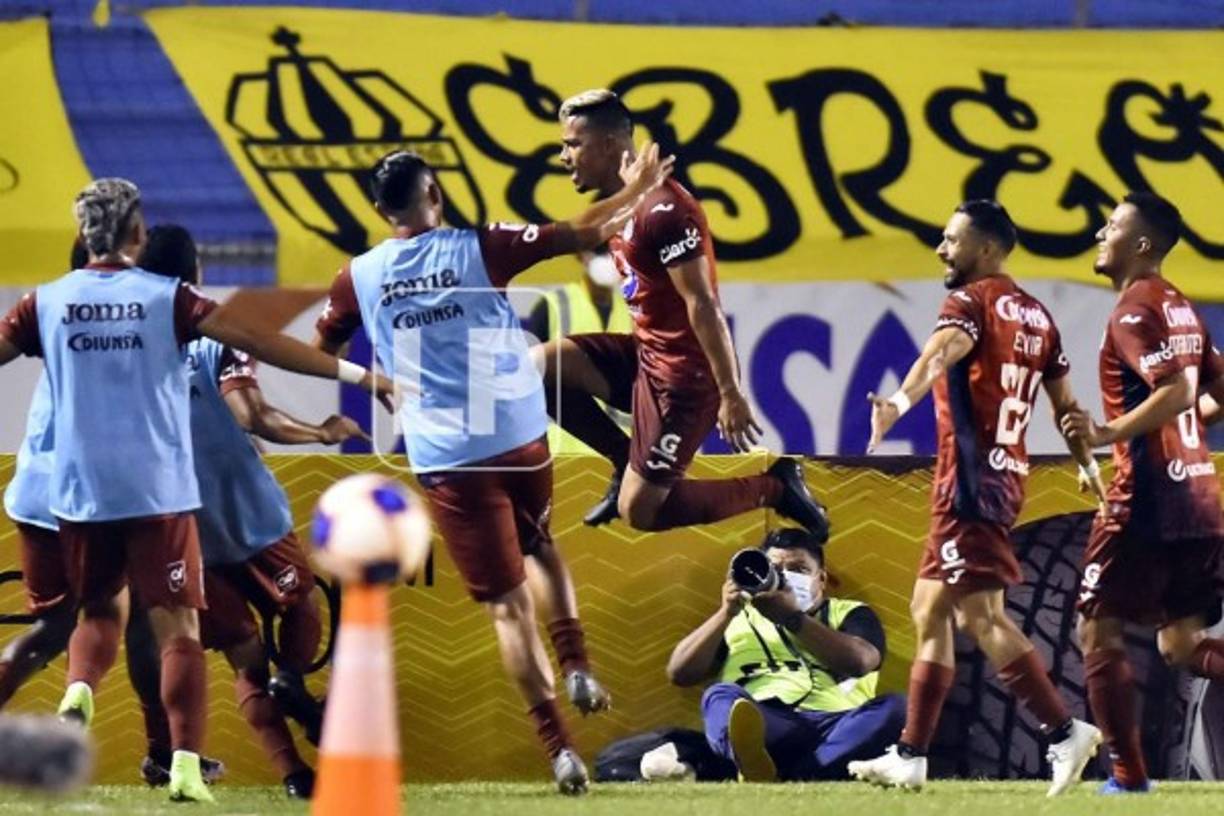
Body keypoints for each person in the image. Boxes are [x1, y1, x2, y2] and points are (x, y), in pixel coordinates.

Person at [0, 178, 391, 802]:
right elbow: (264, 344)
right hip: (158, 493)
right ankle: (183, 763)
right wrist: (359, 375)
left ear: (80, 237)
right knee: (177, 626)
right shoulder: (170, 300)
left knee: (99, 613)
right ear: (136, 234)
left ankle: (79, 689)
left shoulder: (45, 303)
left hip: (78, 496)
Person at [312, 146, 672, 793]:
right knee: (541, 547)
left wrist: (377, 382)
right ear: (437, 195)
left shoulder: (358, 277)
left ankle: (560, 750)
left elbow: (323, 348)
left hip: (448, 458)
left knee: (508, 611)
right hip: (517, 435)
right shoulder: (481, 245)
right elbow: (583, 231)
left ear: (377, 209)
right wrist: (639, 187)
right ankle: (579, 664)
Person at [849, 200, 1103, 795]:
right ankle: (911, 754)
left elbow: (941, 354)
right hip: (1002, 475)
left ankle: (1064, 731)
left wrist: (897, 403)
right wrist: (1088, 464)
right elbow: (1066, 409)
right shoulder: (1041, 318)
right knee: (928, 609)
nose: (942, 249)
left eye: (951, 239)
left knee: (979, 616)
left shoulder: (969, 301)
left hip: (969, 482)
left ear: (985, 249)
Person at [140, 223, 366, 798]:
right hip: (252, 517)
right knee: (303, 606)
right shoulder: (221, 334)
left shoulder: (132, 347)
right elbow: (252, 416)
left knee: (243, 657)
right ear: (196, 274)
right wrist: (320, 431)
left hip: (184, 531)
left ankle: (293, 774)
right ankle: (291, 679)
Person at [542, 89, 828, 536]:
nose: (563, 156)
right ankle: (624, 462)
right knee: (539, 368)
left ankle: (775, 487)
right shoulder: (623, 205)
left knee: (640, 512)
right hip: (646, 359)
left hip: (684, 381)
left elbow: (703, 301)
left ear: (609, 145)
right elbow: (571, 234)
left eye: (572, 144)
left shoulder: (666, 209)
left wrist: (730, 391)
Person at [1061, 192, 1224, 794]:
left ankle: (1127, 778)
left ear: (1143, 244)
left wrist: (1108, 433)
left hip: (1147, 502)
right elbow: (1215, 390)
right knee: (1180, 644)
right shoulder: (1183, 306)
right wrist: (1180, 437)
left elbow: (1177, 392)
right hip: (1201, 499)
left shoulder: (1134, 309)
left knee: (1096, 631)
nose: (1101, 233)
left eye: (1112, 226)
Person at [667, 527, 904, 781]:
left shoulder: (848, 612)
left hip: (836, 727)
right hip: (765, 725)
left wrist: (792, 618)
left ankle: (791, 774)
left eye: (800, 570)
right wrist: (725, 612)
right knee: (719, 696)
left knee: (897, 707)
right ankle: (770, 764)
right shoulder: (739, 618)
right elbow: (680, 673)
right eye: (776, 570)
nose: (786, 577)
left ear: (821, 579)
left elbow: (860, 662)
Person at [524, 247, 632, 454]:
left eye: (613, 253)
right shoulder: (553, 305)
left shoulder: (635, 310)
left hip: (626, 451)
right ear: (581, 255)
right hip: (564, 448)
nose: (608, 261)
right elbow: (528, 381)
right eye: (600, 252)